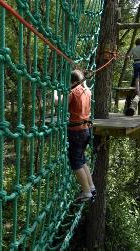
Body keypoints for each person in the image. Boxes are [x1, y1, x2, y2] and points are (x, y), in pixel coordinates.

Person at [56, 69, 96, 203]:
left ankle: (86, 193)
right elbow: (84, 86)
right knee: (82, 160)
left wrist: (55, 90)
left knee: (76, 163)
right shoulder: (87, 91)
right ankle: (91, 187)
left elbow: (58, 102)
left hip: (76, 132)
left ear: (72, 82)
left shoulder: (73, 92)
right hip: (86, 130)